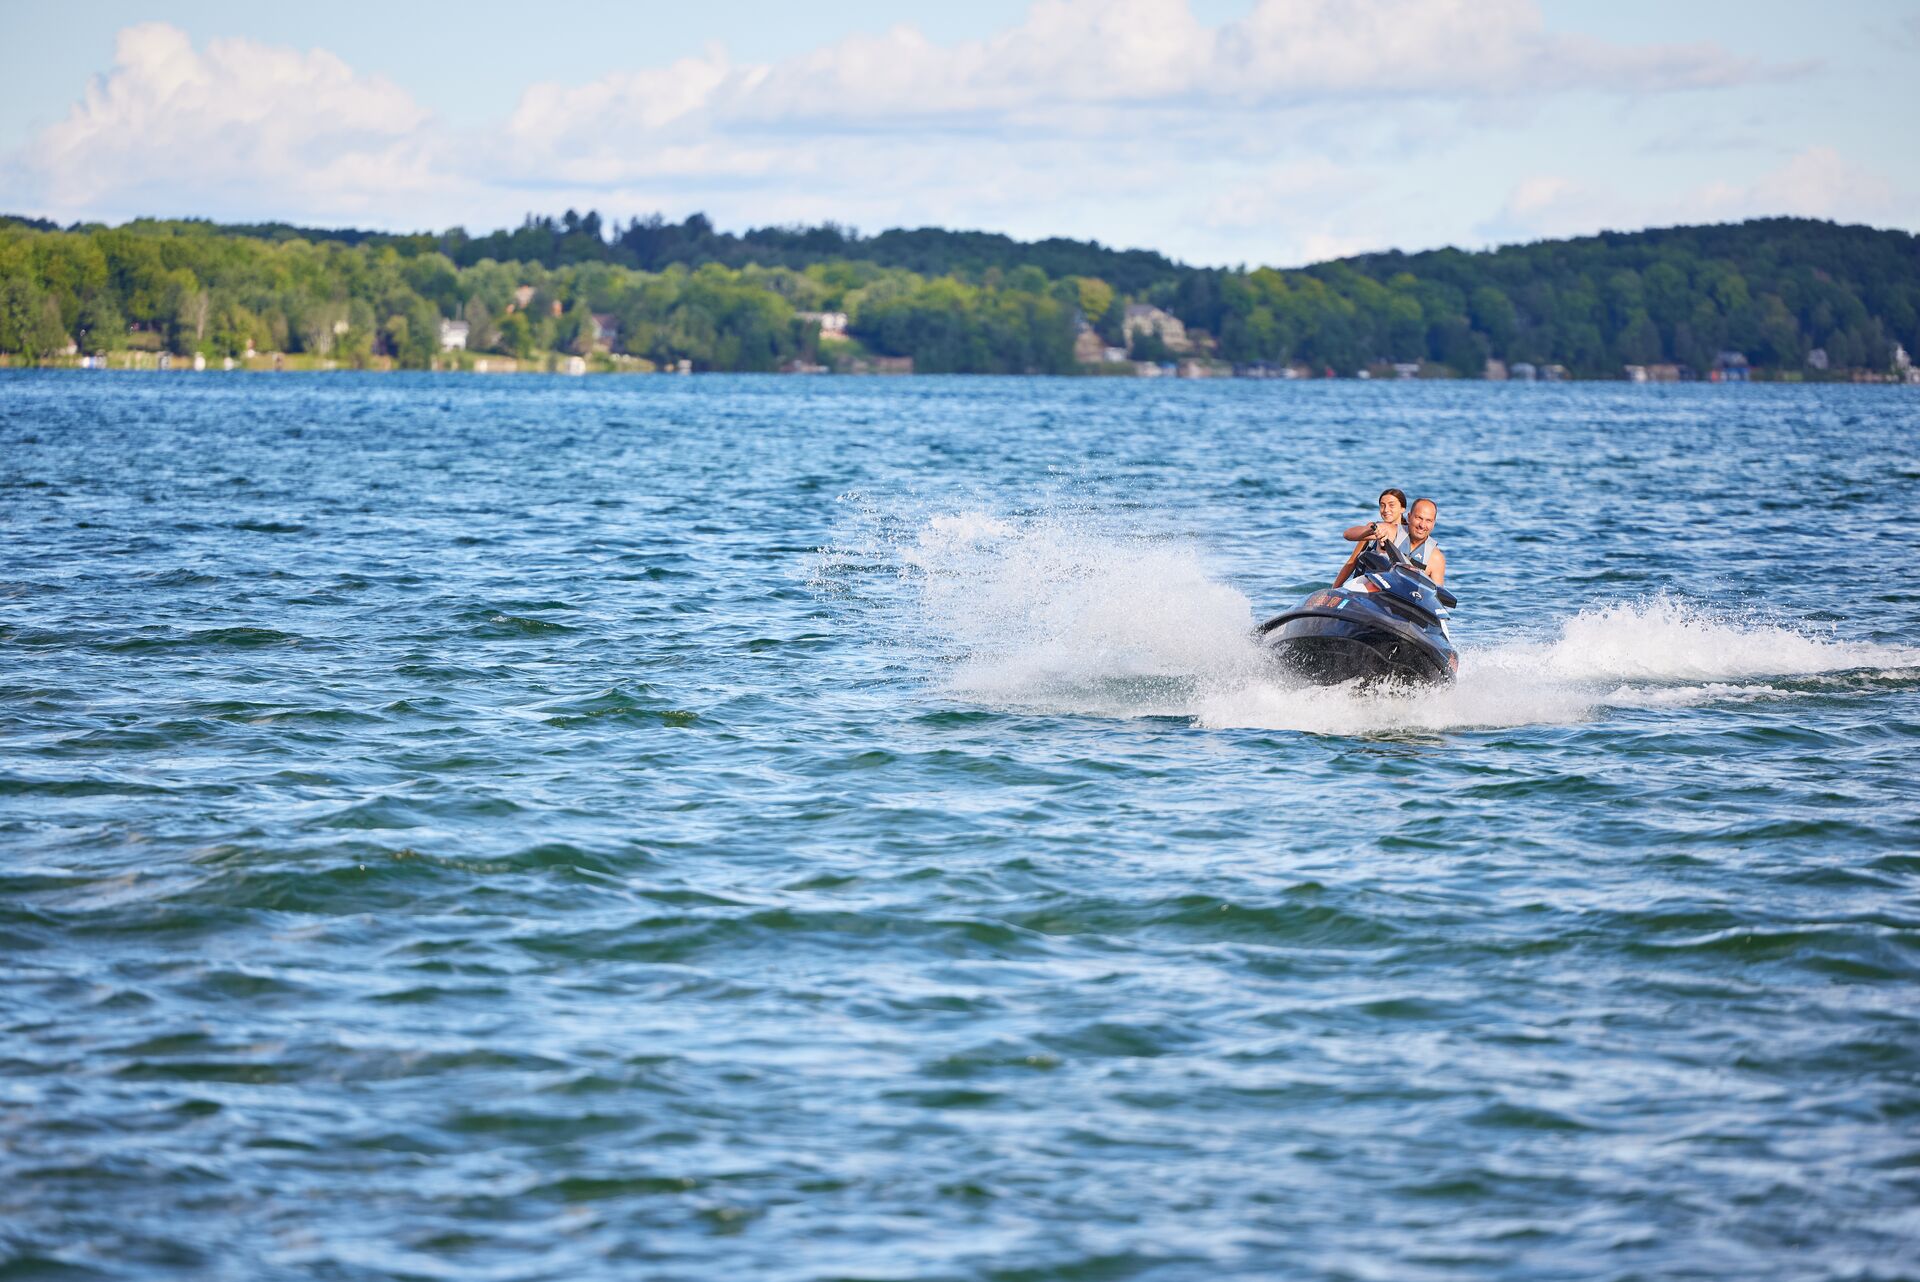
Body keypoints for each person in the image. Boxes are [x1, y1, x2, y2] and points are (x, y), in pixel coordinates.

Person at [1333, 488, 1409, 587]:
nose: (1386, 510)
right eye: (1382, 505)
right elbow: (1351, 562)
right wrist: (1334, 589)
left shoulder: (1409, 534)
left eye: (1391, 505)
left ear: (1403, 508)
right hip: (1365, 586)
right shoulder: (1372, 530)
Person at [1405, 497, 1446, 586]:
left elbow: (1438, 596)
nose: (1422, 525)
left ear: (1433, 524)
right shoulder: (1391, 533)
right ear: (1409, 517)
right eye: (1419, 518)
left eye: (1428, 520)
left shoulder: (1436, 558)